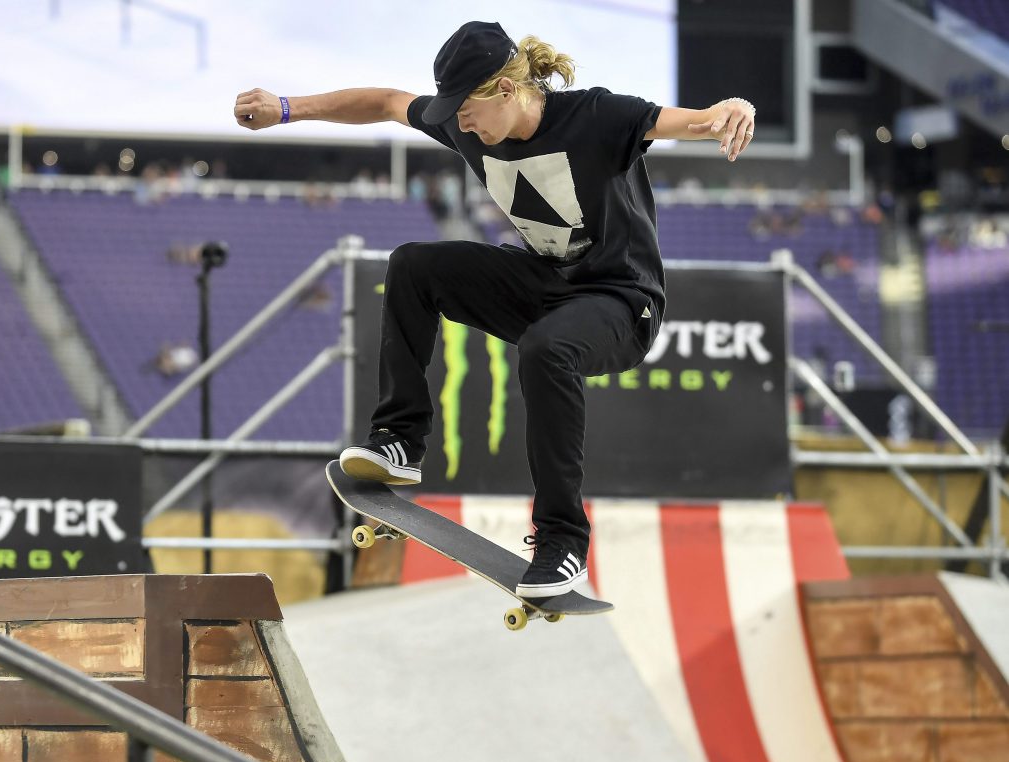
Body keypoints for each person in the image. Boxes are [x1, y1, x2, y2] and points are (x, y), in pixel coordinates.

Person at [233, 21, 756, 602]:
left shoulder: (597, 116)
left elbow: (694, 121)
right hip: (545, 284)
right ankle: (400, 440)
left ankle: (562, 541)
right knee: (412, 265)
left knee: (546, 348)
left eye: (468, 112)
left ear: (507, 90)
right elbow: (386, 103)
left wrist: (731, 109)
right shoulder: (467, 122)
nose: (461, 126)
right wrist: (286, 108)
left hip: (622, 301)